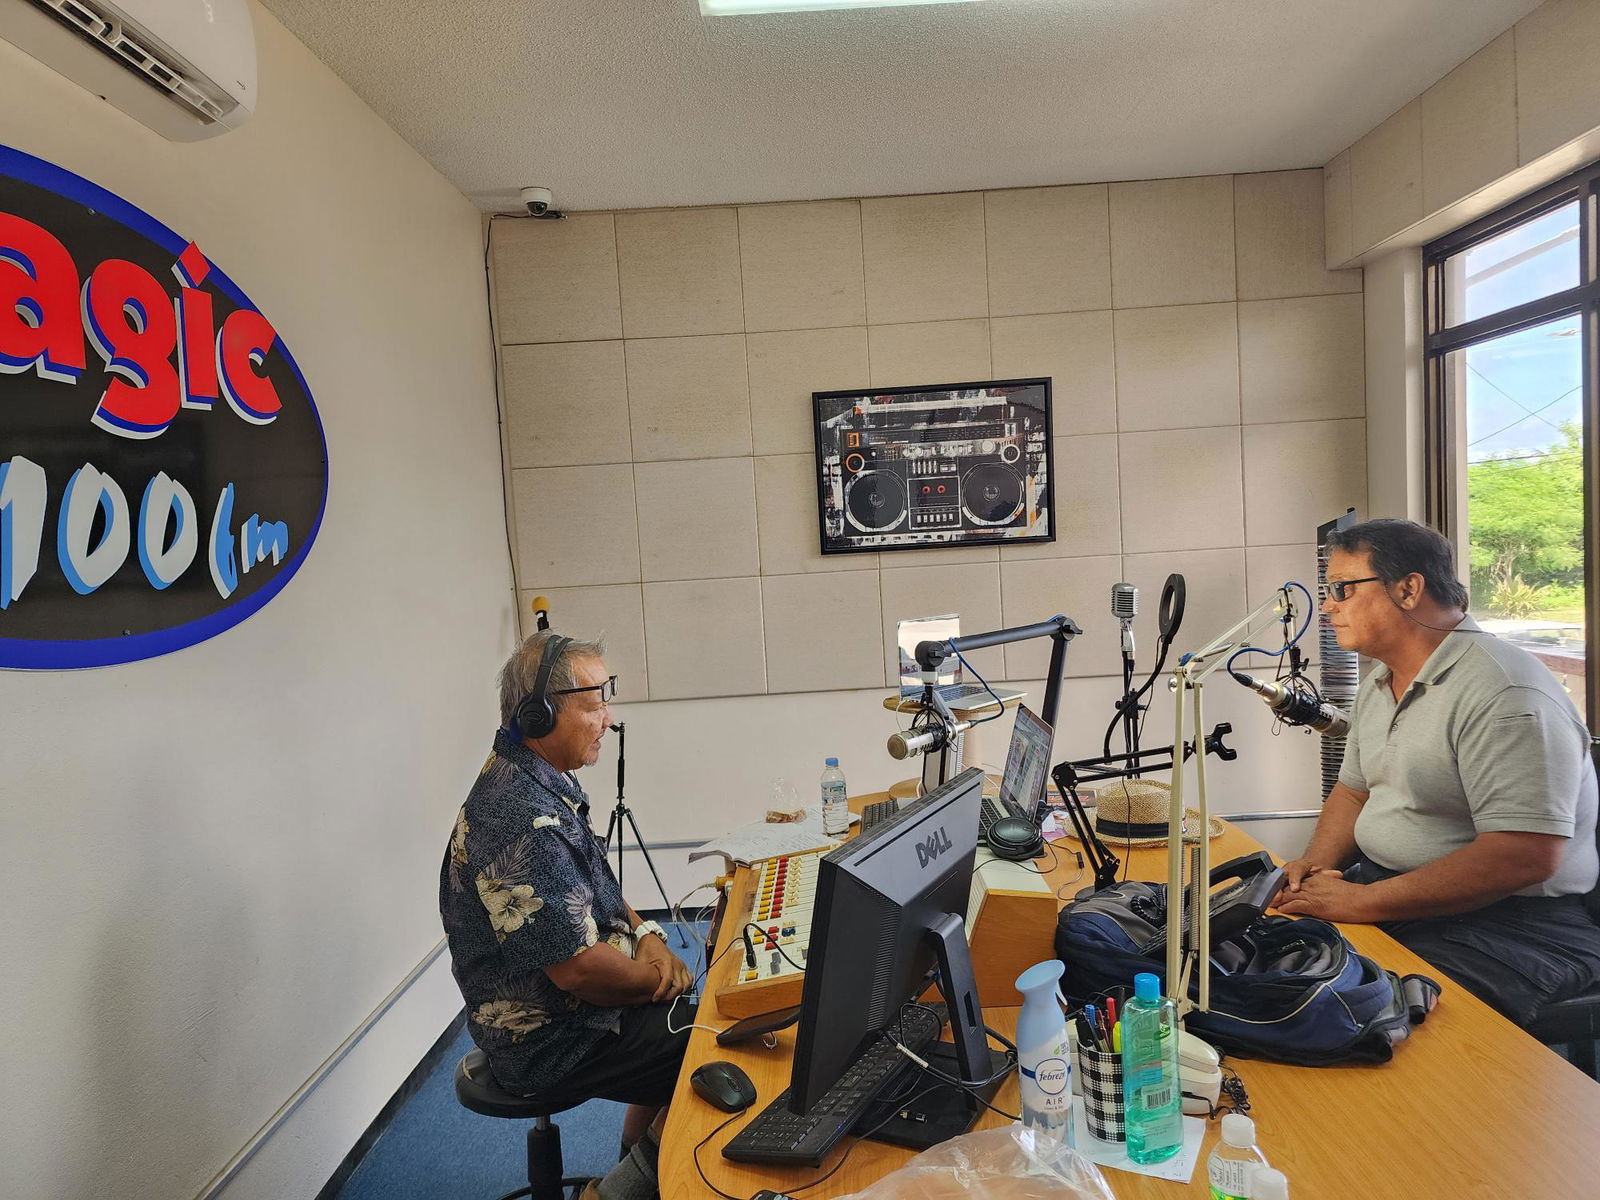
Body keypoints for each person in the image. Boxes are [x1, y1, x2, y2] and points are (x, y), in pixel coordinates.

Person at [1274, 518, 1600, 1025]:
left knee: (1366, 1020)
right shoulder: (1381, 682)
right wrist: (1317, 869)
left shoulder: (1504, 693)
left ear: (1408, 589)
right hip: (1395, 896)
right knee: (1270, 973)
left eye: (1342, 588)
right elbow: (1354, 792)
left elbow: (1523, 855)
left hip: (1510, 924)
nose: (1329, 606)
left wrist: (1362, 902)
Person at [440, 631, 692, 1199]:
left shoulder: (539, 779)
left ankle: (632, 1170)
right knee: (707, 1045)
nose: (609, 717)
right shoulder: (517, 816)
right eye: (596, 702)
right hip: (548, 1038)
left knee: (686, 1022)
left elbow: (596, 884)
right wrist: (658, 979)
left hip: (575, 1010)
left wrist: (647, 934)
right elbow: (578, 972)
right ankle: (612, 1196)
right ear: (540, 713)